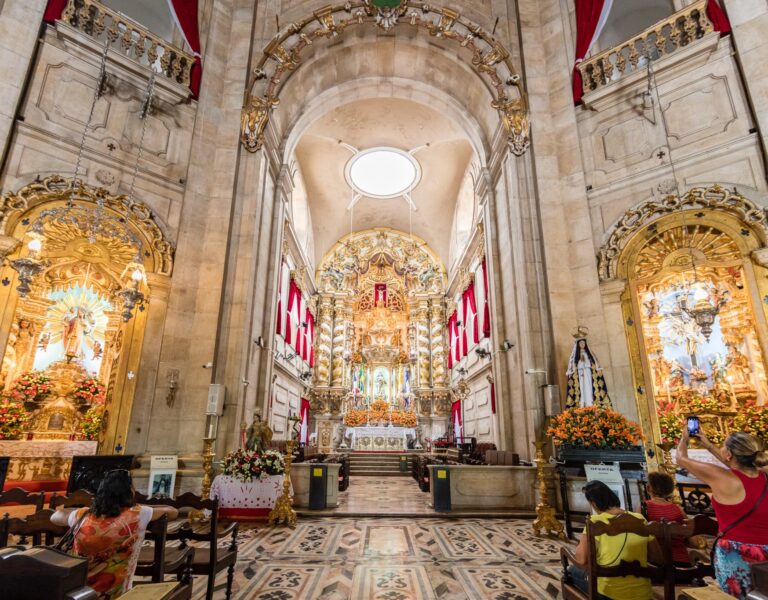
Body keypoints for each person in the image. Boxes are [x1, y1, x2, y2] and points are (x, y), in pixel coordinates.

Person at [51, 469, 178, 599]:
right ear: (130, 492)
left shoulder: (83, 515)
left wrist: (87, 508)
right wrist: (134, 505)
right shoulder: (138, 514)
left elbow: (55, 517)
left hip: (79, 593)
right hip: (117, 594)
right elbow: (172, 511)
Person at [676, 430, 768, 599]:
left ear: (729, 454)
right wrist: (710, 446)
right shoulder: (764, 474)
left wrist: (684, 438)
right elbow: (737, 464)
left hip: (735, 555)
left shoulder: (722, 477)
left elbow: (681, 459)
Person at [569, 480, 661, 600]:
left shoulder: (595, 522)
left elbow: (581, 560)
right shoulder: (640, 519)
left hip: (608, 594)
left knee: (571, 571)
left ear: (594, 504)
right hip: (642, 594)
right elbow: (657, 557)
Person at [645, 471, 691, 566]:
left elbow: (639, 533)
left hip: (656, 562)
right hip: (683, 561)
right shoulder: (678, 509)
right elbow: (689, 532)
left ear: (648, 488)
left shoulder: (645, 507)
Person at [565, 337, 612, 409]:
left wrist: (597, 369)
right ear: (578, 344)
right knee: (582, 389)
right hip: (580, 375)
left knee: (589, 388)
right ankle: (582, 404)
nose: (582, 344)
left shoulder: (590, 354)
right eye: (580, 343)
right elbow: (572, 367)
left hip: (588, 374)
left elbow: (595, 364)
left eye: (583, 343)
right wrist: (572, 371)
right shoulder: (575, 356)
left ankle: (590, 404)